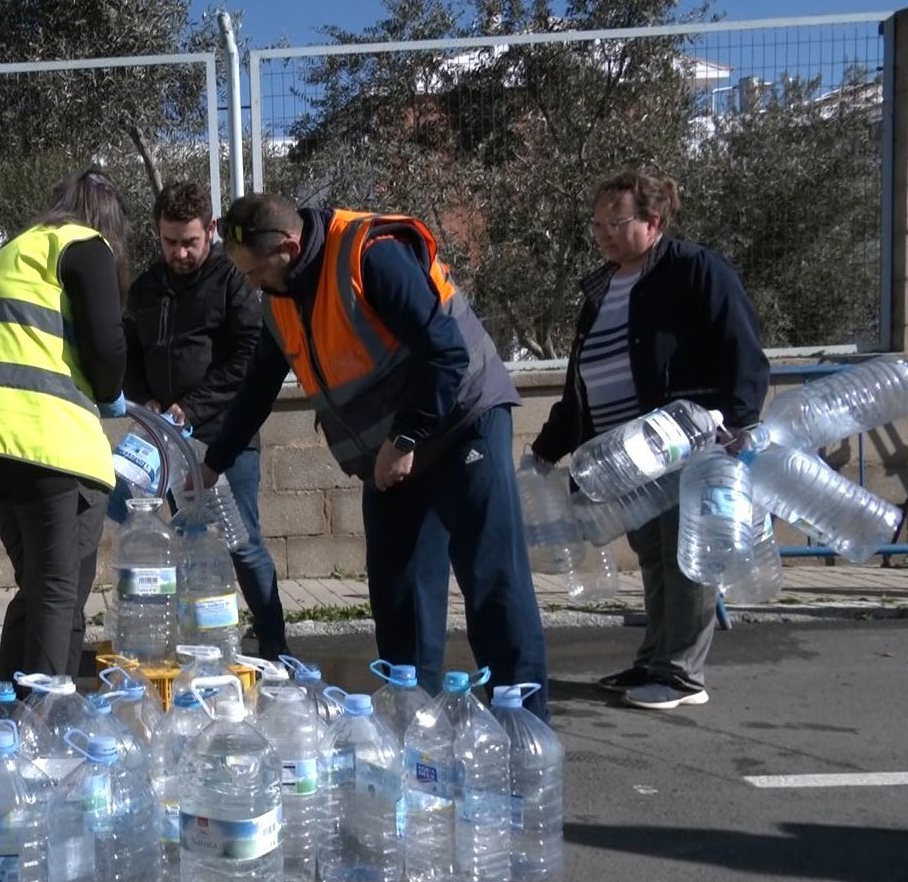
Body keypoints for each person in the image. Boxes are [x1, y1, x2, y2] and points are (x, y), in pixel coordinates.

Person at [200, 192, 551, 721]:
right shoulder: (279, 300)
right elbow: (257, 389)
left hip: (462, 421)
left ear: (290, 249)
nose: (250, 283)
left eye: (254, 271)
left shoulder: (370, 255)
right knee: (398, 588)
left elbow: (446, 351)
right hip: (391, 452)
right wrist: (213, 462)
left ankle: (524, 724)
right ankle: (414, 725)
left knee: (491, 582)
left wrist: (406, 438)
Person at [531, 170, 769, 711]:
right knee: (656, 558)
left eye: (616, 223)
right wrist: (549, 446)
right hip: (626, 461)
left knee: (688, 557)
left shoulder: (694, 270)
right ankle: (655, 660)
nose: (603, 234)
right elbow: (581, 383)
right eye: (597, 225)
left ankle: (683, 674)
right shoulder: (600, 291)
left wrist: (736, 420)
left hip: (685, 444)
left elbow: (743, 347)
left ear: (652, 221)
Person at [0, 168, 130, 678]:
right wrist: (112, 391)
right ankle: (47, 728)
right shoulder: (85, 244)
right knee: (57, 591)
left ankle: (15, 715)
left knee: (40, 587)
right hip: (41, 440)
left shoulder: (12, 253)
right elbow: (105, 344)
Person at [122, 181, 288, 660]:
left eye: (190, 241)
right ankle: (203, 642)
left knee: (242, 543)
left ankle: (275, 642)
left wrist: (192, 407)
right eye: (170, 241)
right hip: (171, 443)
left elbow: (248, 360)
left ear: (210, 231)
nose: (180, 252)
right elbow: (130, 356)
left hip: (226, 438)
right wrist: (147, 400)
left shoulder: (233, 280)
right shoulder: (147, 288)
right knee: (190, 543)